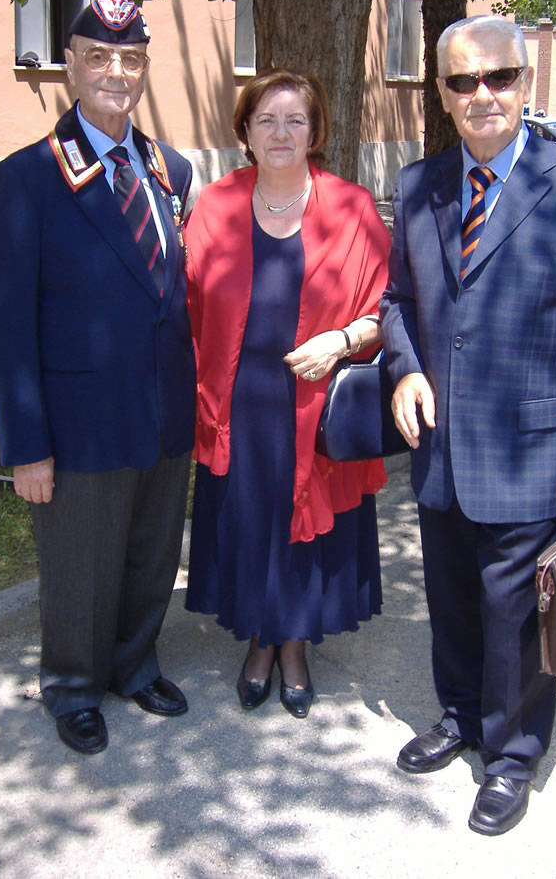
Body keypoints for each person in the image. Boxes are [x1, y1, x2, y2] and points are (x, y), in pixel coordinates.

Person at [381, 15, 556, 834]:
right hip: (442, 445)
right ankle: (460, 713)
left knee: (517, 611)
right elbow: (398, 301)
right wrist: (406, 366)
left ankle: (513, 753)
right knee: (454, 597)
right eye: (464, 80)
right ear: (443, 93)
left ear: (525, 82)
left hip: (536, 449)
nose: (482, 93)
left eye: (499, 76)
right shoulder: (420, 185)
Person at [0, 0, 196, 755]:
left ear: (144, 71)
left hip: (162, 408)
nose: (116, 72)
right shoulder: (26, 179)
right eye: (99, 56)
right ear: (69, 65)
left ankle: (135, 663)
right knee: (79, 564)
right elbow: (10, 327)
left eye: (130, 59)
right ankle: (73, 684)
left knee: (151, 551)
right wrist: (26, 445)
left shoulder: (170, 169)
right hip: (77, 422)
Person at [184, 68, 391, 718]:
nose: (280, 132)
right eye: (266, 120)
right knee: (252, 522)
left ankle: (293, 644)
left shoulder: (352, 209)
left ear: (315, 130)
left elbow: (389, 308)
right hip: (238, 405)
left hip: (317, 401)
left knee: (305, 527)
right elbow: (186, 308)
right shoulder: (214, 206)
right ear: (245, 130)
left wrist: (342, 340)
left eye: (295, 120)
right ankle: (260, 638)